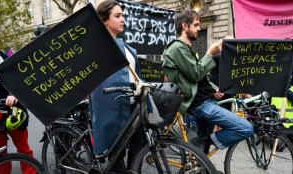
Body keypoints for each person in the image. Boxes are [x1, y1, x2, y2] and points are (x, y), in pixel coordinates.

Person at [162, 10, 254, 156]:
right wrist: (209, 53)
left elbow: (199, 77)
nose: (199, 28)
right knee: (246, 128)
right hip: (200, 104)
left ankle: (201, 167)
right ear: (185, 26)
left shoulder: (185, 48)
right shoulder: (176, 47)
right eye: (196, 25)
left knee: (202, 151)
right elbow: (195, 73)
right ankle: (204, 141)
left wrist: (213, 89)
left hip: (205, 101)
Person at [90, 1, 144, 173]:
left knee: (140, 146)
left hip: (133, 106)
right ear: (105, 20)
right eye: (117, 16)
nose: (123, 19)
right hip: (111, 108)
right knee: (116, 156)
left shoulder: (126, 47)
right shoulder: (97, 46)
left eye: (122, 15)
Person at [0, 37, 36, 173]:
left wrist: (13, 94)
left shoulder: (8, 60)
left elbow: (21, 82)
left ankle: (30, 171)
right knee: (0, 154)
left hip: (14, 112)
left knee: (23, 149)